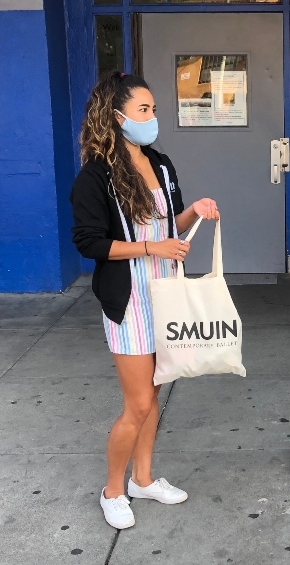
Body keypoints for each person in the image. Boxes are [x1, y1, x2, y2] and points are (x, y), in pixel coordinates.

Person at [70, 71, 220, 529]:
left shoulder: (161, 162)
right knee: (137, 404)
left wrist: (194, 210)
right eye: (144, 110)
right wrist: (152, 248)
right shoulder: (95, 177)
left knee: (153, 398)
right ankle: (112, 490)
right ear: (116, 117)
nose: (153, 118)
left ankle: (143, 479)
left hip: (166, 293)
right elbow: (90, 242)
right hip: (130, 300)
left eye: (153, 109)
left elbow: (164, 223)